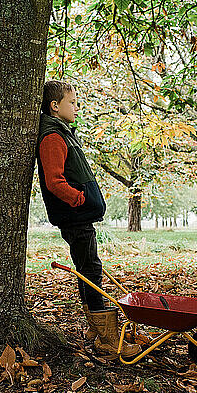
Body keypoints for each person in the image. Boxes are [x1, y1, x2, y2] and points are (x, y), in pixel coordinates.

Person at [36, 80, 141, 358]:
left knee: (87, 270)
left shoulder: (62, 132)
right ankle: (106, 341)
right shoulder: (52, 137)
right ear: (55, 106)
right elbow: (55, 181)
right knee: (91, 270)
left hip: (79, 216)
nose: (76, 107)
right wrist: (79, 198)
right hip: (74, 216)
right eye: (72, 102)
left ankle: (95, 330)